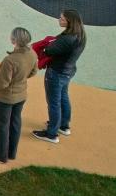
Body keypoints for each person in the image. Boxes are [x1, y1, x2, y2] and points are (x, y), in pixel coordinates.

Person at [31, 10, 85, 144]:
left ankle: (51, 134)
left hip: (57, 72)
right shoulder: (80, 35)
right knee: (63, 97)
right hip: (68, 71)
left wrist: (47, 45)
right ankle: (63, 126)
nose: (59, 19)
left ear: (69, 22)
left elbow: (49, 50)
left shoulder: (66, 39)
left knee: (53, 103)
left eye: (62, 18)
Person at [0, 27, 37, 163]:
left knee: (1, 125)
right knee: (15, 123)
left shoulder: (10, 60)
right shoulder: (32, 54)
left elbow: (2, 83)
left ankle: (0, 154)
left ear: (14, 40)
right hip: (21, 96)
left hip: (5, 98)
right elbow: (33, 72)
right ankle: (11, 152)